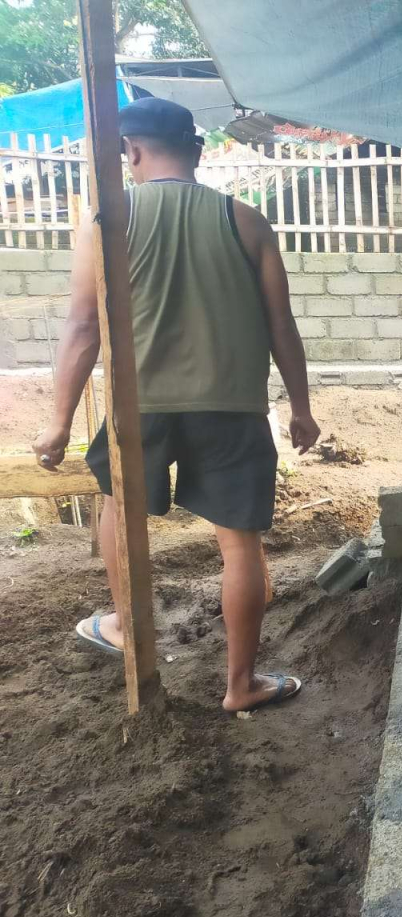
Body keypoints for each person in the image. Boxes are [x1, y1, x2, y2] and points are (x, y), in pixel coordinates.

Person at [32, 97, 319, 711]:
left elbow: (83, 328)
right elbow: (281, 324)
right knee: (240, 544)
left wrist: (58, 423)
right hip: (233, 407)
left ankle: (125, 631)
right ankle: (240, 685)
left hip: (143, 405)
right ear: (196, 152)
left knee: (120, 510)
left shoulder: (108, 219)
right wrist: (301, 407)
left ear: (130, 151)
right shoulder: (246, 221)